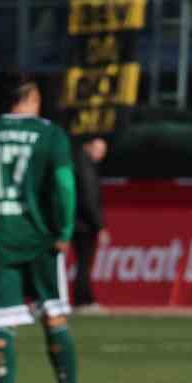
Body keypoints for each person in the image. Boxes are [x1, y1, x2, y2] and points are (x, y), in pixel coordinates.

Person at [0, 76, 100, 383]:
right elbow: (64, 184)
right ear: (30, 97)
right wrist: (64, 228)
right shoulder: (49, 134)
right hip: (39, 235)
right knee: (54, 314)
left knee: (1, 321)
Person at [70, 134, 111, 313]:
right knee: (84, 263)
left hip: (77, 221)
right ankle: (84, 300)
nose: (101, 154)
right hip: (84, 224)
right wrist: (99, 225)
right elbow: (89, 198)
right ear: (89, 146)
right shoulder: (85, 167)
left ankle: (83, 299)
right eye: (99, 150)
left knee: (83, 263)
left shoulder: (79, 163)